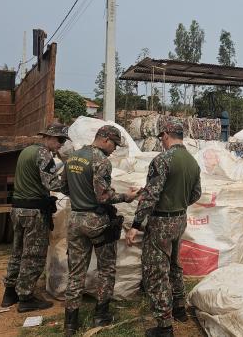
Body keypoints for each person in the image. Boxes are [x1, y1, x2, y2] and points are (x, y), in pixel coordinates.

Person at [125, 118, 201, 337]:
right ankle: (179, 308)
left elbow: (151, 196)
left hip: (161, 223)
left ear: (166, 135)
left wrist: (136, 225)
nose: (161, 141)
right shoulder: (191, 162)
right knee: (175, 265)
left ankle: (164, 326)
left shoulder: (163, 160)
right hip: (179, 219)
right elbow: (196, 194)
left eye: (161, 138)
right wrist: (177, 202)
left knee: (156, 271)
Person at [63, 125, 137, 336]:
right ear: (104, 139)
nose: (114, 149)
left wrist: (80, 196)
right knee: (106, 269)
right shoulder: (101, 161)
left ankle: (70, 324)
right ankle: (101, 315)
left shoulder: (73, 157)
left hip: (75, 219)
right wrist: (126, 197)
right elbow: (103, 196)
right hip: (96, 221)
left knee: (76, 273)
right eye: (114, 144)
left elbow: (64, 187)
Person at [1, 122, 69, 313]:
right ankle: (26, 297)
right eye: (60, 141)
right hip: (34, 213)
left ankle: (9, 292)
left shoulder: (27, 151)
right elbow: (52, 183)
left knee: (18, 251)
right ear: (49, 138)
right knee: (34, 255)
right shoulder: (43, 154)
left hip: (18, 209)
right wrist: (69, 177)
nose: (61, 145)